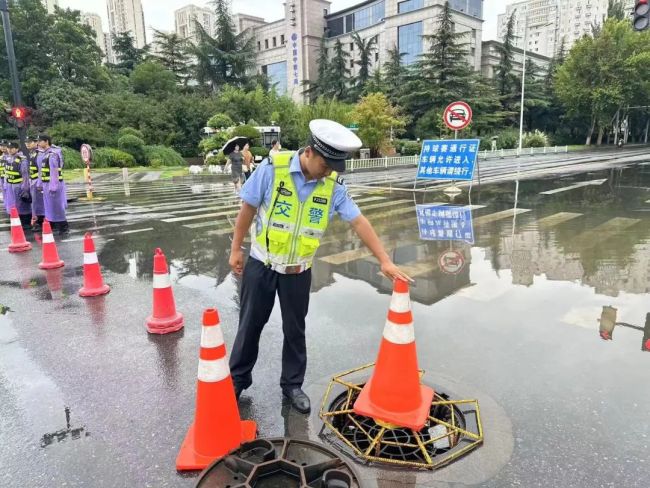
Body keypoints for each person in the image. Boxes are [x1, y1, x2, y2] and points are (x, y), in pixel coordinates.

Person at [228, 119, 412, 414]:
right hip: (261, 264)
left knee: (295, 329)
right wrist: (236, 248)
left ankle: (292, 385)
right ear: (310, 152)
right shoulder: (273, 168)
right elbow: (248, 207)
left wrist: (385, 260)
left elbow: (358, 220)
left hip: (298, 272)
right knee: (250, 325)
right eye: (326, 164)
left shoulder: (332, 185)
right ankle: (237, 380)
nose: (329, 171)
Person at [37, 134, 68, 235]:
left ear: (46, 141)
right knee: (49, 206)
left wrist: (53, 187)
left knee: (57, 206)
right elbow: (42, 171)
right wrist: (40, 184)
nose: (38, 143)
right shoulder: (45, 154)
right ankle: (53, 225)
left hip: (53, 184)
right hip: (46, 184)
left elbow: (54, 171)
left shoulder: (52, 154)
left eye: (40, 141)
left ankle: (63, 227)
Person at [3, 142, 31, 227]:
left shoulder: (21, 159)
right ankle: (16, 221)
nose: (10, 150)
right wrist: (5, 185)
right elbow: (6, 173)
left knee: (22, 205)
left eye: (12, 148)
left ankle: (25, 223)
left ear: (16, 149)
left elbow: (25, 175)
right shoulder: (8, 159)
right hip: (10, 186)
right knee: (12, 204)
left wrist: (25, 188)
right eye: (8, 148)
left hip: (18, 186)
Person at [26, 136, 44, 231]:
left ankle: (41, 222)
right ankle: (38, 222)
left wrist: (39, 183)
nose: (27, 144)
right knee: (35, 203)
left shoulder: (39, 153)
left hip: (38, 181)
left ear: (36, 142)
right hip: (32, 180)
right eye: (26, 142)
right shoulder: (32, 153)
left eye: (30, 142)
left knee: (39, 203)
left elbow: (41, 169)